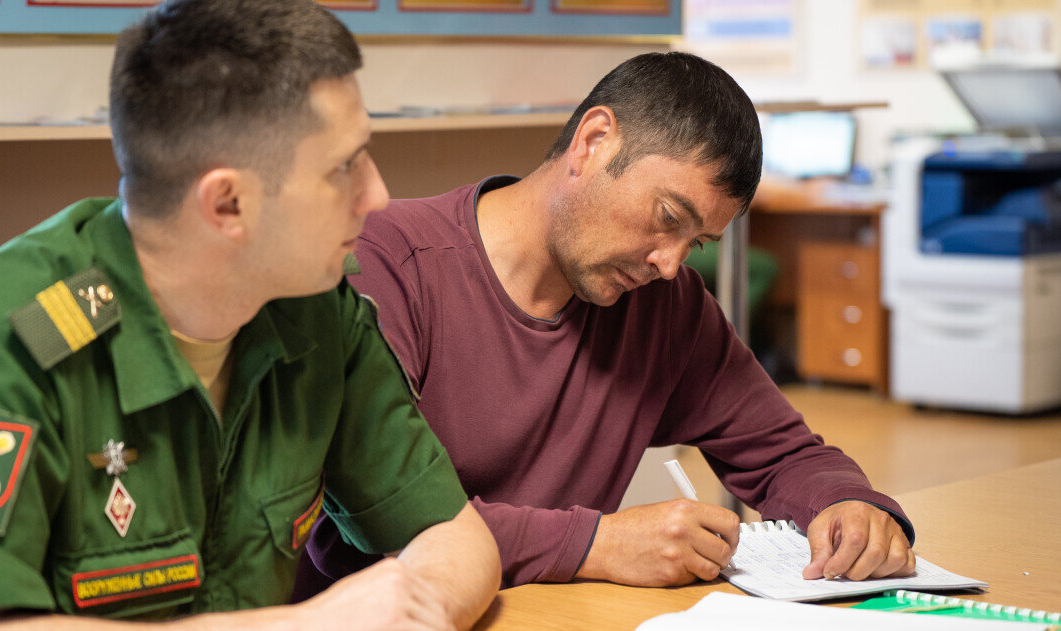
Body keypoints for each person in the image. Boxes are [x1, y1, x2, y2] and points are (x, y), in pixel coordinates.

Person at [0, 0, 500, 631]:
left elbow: (455, 535)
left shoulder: (314, 310)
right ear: (227, 202)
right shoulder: (6, 336)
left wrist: (404, 622)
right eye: (345, 166)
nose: (377, 195)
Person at [303, 52, 915, 591]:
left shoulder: (664, 307)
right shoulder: (383, 262)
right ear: (593, 142)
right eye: (669, 217)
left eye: (696, 242)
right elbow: (371, 525)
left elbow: (783, 452)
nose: (671, 264)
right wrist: (597, 544)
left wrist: (849, 503)